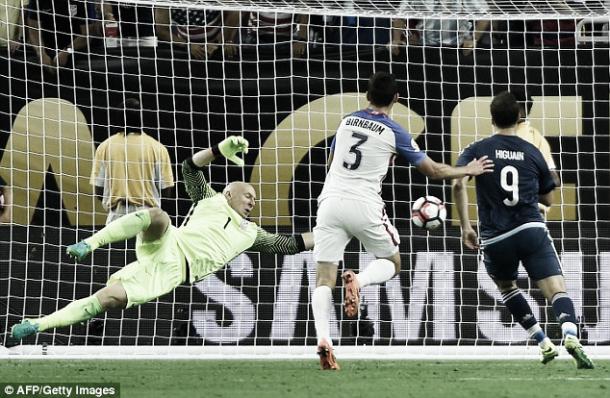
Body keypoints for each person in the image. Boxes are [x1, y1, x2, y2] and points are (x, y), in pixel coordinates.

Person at [11, 136, 314, 340]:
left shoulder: (252, 233)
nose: (251, 201)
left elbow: (289, 244)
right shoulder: (209, 199)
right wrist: (219, 150)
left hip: (172, 272)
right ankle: (90, 243)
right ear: (228, 193)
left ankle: (36, 325)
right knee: (158, 215)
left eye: (255, 199)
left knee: (106, 300)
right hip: (169, 242)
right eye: (247, 194)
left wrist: (329, 233)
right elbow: (189, 167)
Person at [312, 71, 494, 370]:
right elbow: (433, 171)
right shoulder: (394, 131)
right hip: (365, 204)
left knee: (324, 277)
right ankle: (360, 280)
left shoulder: (347, 121)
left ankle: (323, 340)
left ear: (367, 96)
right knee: (393, 262)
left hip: (329, 201)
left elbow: (331, 163)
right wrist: (468, 169)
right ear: (396, 99)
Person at [452, 91, 593, 369]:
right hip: (530, 228)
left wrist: (467, 227)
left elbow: (457, 183)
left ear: (491, 118)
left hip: (496, 236)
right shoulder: (533, 151)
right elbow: (549, 198)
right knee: (556, 290)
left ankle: (542, 342)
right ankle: (569, 333)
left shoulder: (478, 149)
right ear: (519, 118)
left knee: (506, 287)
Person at [91, 98, 175, 225]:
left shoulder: (105, 147)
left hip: (116, 217)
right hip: (147, 215)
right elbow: (166, 191)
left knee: (115, 245)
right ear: (141, 118)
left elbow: (98, 191)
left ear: (118, 119)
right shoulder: (157, 148)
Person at [26, 0, 98, 74]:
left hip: (75, 51)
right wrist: (41, 53)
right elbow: (33, 30)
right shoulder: (37, 1)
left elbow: (86, 35)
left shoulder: (82, 2)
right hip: (47, 49)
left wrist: (66, 52)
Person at [154, 6, 240, 60]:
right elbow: (161, 30)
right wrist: (187, 45)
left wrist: (225, 40)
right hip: (185, 49)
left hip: (220, 42)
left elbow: (236, 10)